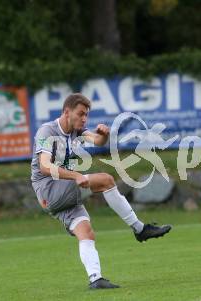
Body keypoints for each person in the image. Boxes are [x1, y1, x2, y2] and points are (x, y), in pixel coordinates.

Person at [31, 93, 172, 289]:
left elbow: (97, 141)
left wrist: (104, 135)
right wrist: (76, 176)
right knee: (106, 180)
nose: (84, 119)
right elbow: (45, 166)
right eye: (80, 114)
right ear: (66, 112)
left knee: (86, 232)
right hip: (49, 189)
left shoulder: (77, 130)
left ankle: (95, 279)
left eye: (86, 115)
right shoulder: (47, 132)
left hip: (61, 192)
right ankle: (140, 229)